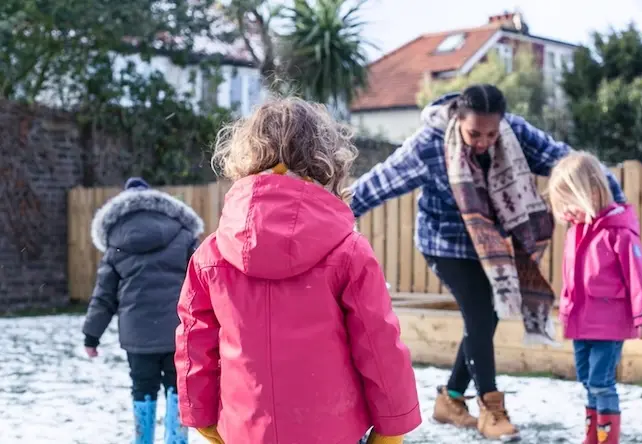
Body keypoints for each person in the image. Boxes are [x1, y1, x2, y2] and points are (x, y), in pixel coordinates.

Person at [349, 84, 626, 441]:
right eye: (474, 133)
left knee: (487, 317)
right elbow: (380, 182)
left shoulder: (516, 134)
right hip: (444, 242)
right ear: (457, 120)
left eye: (491, 133)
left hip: (490, 246)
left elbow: (569, 163)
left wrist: (613, 198)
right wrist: (333, 212)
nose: (483, 141)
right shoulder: (431, 142)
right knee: (480, 314)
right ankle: (492, 410)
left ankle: (450, 399)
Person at [174, 97, 422, 444]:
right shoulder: (348, 250)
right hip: (332, 431)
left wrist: (201, 417)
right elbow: (378, 343)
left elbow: (195, 342)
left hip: (245, 429)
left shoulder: (210, 255)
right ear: (325, 158)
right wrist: (393, 426)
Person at [547, 151, 642, 444]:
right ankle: (593, 436)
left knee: (601, 382)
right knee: (586, 380)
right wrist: (565, 309)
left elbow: (638, 275)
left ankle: (607, 439)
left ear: (592, 193)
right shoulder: (577, 232)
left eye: (570, 203)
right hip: (582, 322)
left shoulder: (619, 233)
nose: (567, 213)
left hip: (609, 324)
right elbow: (572, 277)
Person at [82, 177, 203, 444]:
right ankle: (176, 440)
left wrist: (92, 335)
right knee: (177, 387)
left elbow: (104, 297)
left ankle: (143, 439)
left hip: (138, 338)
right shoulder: (182, 236)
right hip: (177, 332)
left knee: (142, 388)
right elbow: (202, 282)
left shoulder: (115, 242)